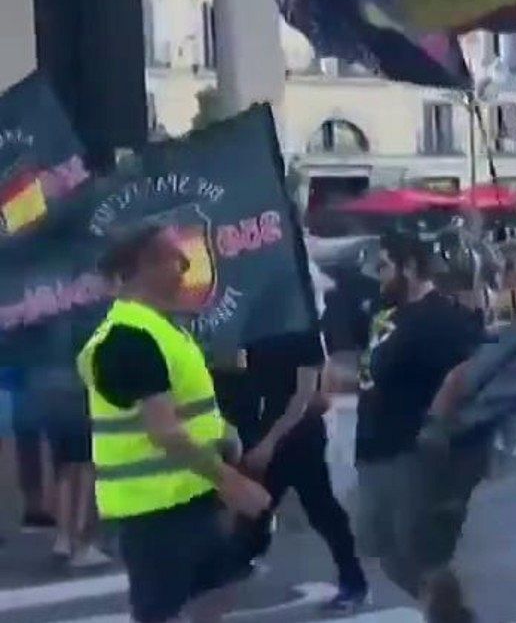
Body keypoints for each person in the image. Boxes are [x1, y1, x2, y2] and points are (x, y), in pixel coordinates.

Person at [77, 224, 270, 623]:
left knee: (216, 592)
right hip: (155, 509)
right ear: (144, 268)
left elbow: (185, 407)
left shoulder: (162, 328)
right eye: (174, 258)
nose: (185, 266)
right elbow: (164, 431)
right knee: (162, 612)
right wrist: (232, 482)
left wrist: (223, 434)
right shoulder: (128, 338)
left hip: (191, 496)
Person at [354, 232, 486, 619]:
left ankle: (447, 614)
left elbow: (471, 370)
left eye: (384, 267)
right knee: (380, 546)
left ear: (409, 267)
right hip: (374, 446)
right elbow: (373, 371)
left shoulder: (442, 318)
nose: (378, 276)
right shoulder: (388, 315)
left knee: (419, 551)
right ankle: (448, 610)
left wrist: (439, 419)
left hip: (412, 451)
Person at [238, 325, 368, 611]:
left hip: (300, 437)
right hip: (263, 433)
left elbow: (304, 397)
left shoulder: (304, 335)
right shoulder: (253, 330)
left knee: (321, 509)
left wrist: (269, 442)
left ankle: (354, 580)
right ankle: (235, 566)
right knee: (253, 511)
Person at [38, 357, 107, 567]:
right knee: (87, 468)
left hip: (51, 394)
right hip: (80, 396)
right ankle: (82, 540)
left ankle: (63, 538)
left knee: (64, 470)